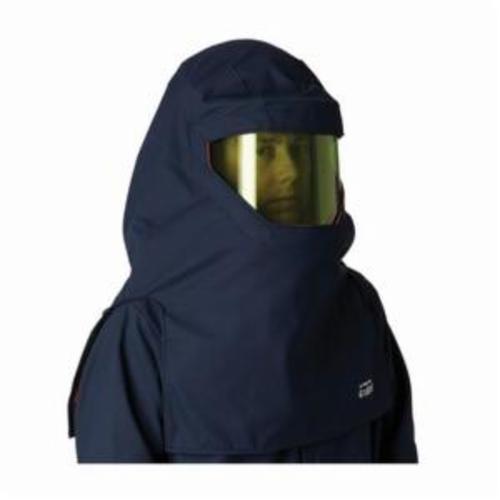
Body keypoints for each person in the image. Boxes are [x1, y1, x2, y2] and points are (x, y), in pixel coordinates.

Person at [67, 39, 418, 463]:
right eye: (265, 152)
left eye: (300, 151)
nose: (289, 173)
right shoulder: (143, 336)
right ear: (194, 169)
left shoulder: (357, 308)